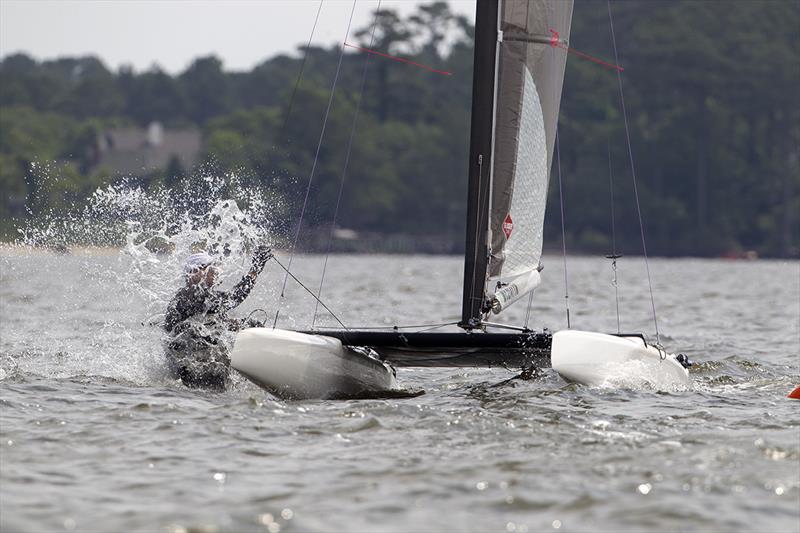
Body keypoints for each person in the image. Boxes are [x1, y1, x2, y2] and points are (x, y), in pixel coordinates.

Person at [163, 245, 272, 389]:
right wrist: (256, 267)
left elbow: (215, 319)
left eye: (214, 269)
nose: (215, 273)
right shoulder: (188, 297)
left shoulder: (208, 298)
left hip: (203, 360)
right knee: (197, 331)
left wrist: (242, 324)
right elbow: (236, 296)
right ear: (194, 272)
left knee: (253, 324)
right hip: (186, 366)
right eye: (210, 269)